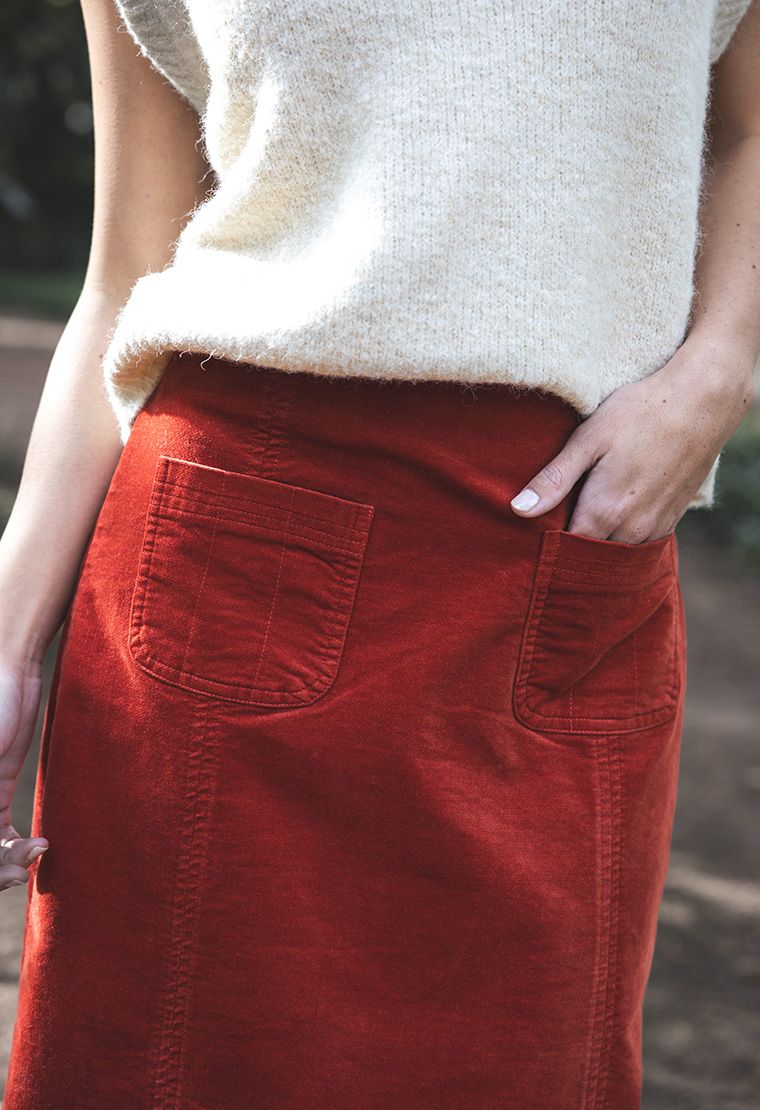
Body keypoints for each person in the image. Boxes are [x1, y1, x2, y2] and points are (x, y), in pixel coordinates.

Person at [1, 1, 758, 1106]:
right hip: (225, 567)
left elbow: (744, 129)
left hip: (559, 565)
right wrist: (12, 640)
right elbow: (127, 270)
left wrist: (723, 362)